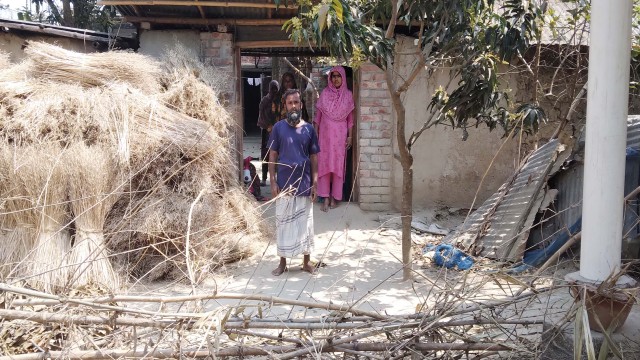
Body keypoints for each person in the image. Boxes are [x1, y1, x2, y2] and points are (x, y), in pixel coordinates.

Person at [267, 88, 319, 276]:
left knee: (305, 224)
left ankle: (306, 262)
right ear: (285, 106)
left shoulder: (309, 129)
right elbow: (272, 155)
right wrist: (272, 181)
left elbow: (314, 157)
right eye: (290, 103)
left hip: (304, 182)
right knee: (283, 223)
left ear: (301, 105)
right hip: (284, 184)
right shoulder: (278, 128)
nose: (294, 105)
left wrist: (315, 182)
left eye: (296, 102)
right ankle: (282, 263)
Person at [314, 66, 355, 212]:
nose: (336, 79)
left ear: (343, 78)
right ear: (330, 79)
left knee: (337, 166)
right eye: (333, 76)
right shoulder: (324, 94)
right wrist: (315, 137)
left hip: (340, 137)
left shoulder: (348, 95)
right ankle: (325, 197)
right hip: (324, 137)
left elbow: (350, 120)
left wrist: (350, 136)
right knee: (324, 165)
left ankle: (334, 197)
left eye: (338, 76)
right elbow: (317, 119)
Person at [257, 79, 279, 186]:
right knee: (266, 154)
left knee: (278, 154)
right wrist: (268, 126)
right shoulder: (265, 100)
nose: (274, 91)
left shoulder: (280, 100)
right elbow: (261, 115)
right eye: (272, 88)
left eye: (276, 88)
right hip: (267, 131)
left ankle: (278, 179)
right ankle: (264, 179)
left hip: (279, 131)